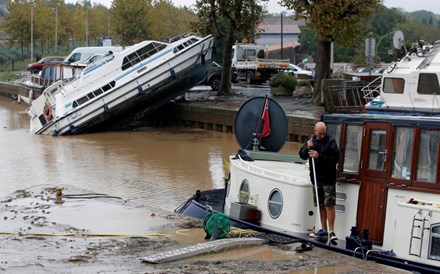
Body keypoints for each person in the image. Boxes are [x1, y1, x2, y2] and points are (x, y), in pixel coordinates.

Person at [299, 121, 339, 241]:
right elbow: (302, 155)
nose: (322, 136)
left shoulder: (331, 142)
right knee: (320, 204)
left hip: (328, 179)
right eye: (320, 134)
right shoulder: (311, 140)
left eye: (324, 133)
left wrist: (318, 156)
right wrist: (307, 147)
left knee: (329, 204)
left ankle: (331, 231)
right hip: (316, 178)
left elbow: (334, 160)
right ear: (315, 131)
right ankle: (323, 229)